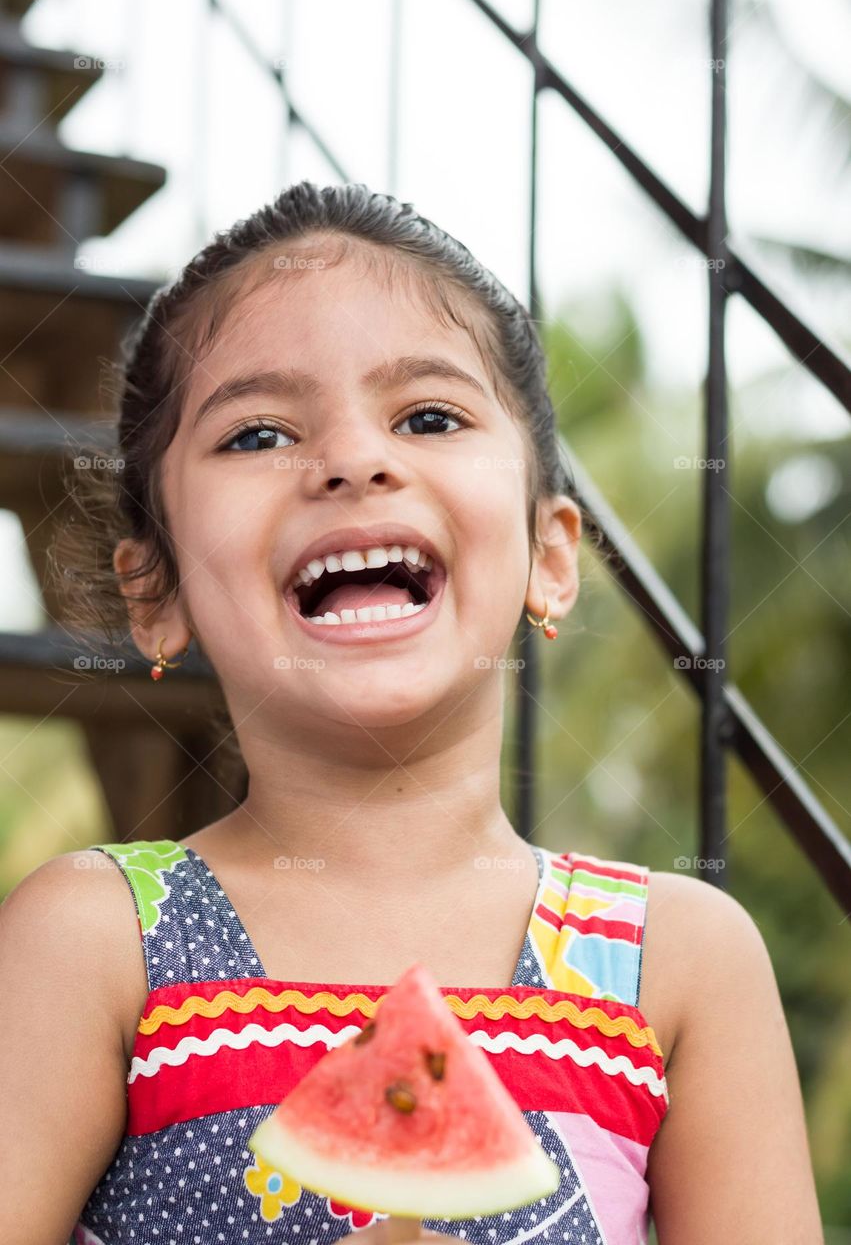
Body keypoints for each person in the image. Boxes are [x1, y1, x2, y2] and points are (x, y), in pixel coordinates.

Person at [0, 182, 823, 1244]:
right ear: (152, 591)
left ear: (550, 554)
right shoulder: (96, 936)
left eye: (428, 416)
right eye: (257, 433)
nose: (350, 458)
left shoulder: (678, 954)